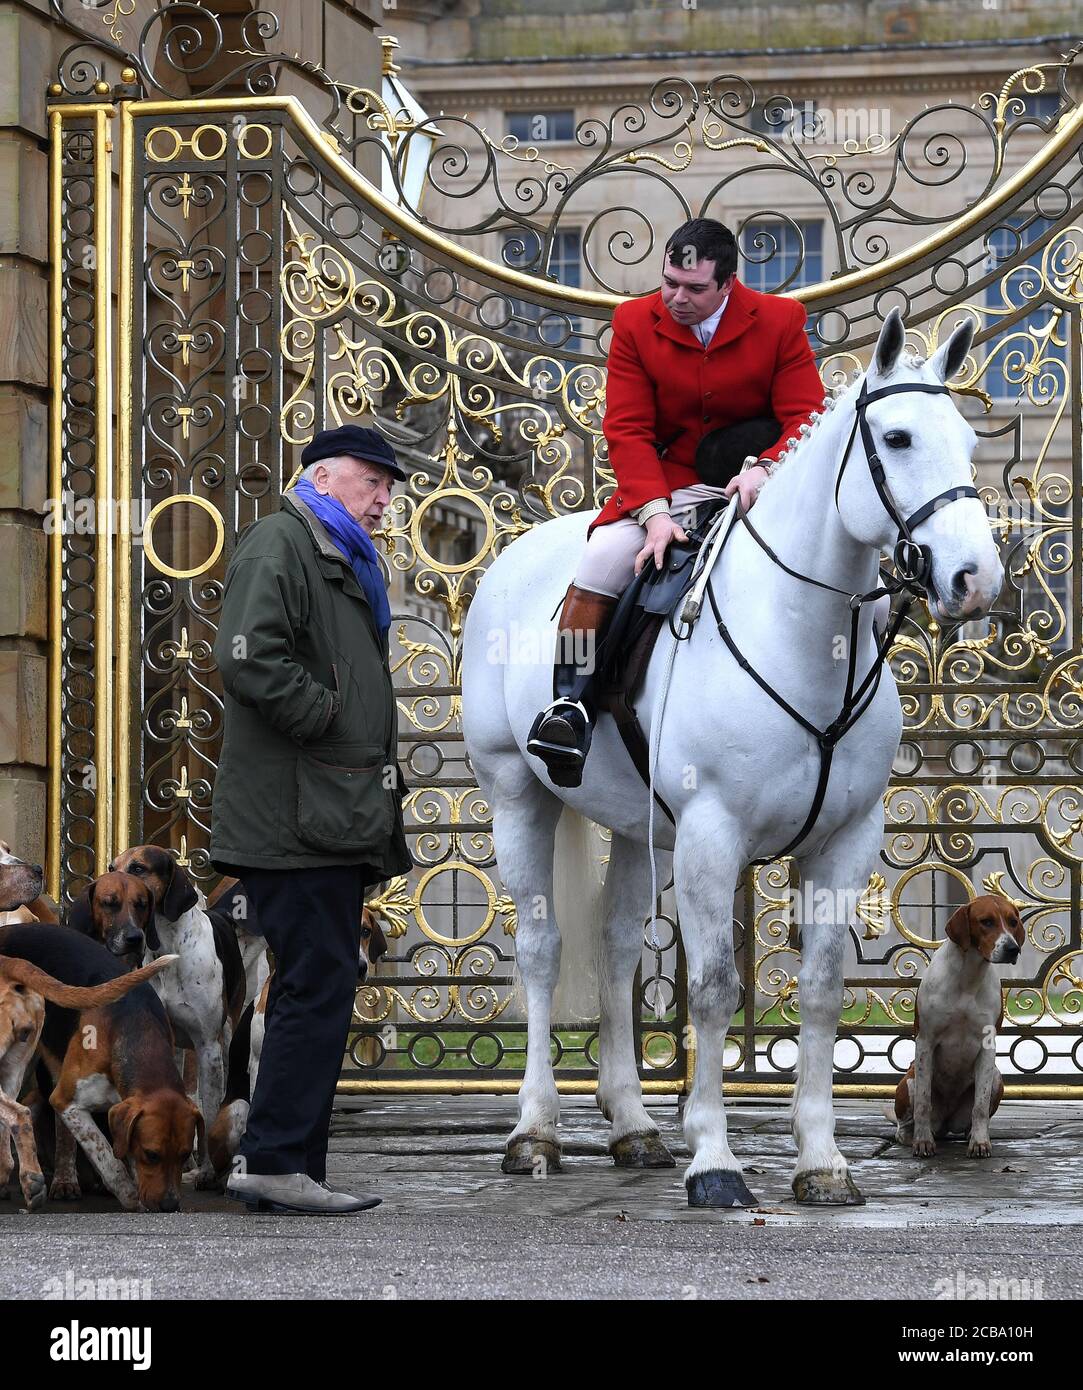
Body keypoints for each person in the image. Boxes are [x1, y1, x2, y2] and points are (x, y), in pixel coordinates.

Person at [527, 217, 826, 785]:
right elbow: (628, 428)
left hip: (764, 483)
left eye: (693, 289)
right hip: (668, 486)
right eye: (668, 283)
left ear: (728, 284)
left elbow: (806, 414)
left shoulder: (782, 319)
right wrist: (656, 515)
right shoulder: (634, 321)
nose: (675, 299)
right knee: (600, 559)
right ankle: (569, 707)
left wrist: (766, 467)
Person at [210, 424, 412, 1215]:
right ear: (324, 478)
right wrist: (325, 715)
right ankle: (275, 1161)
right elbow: (246, 653)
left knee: (319, 981)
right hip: (295, 812)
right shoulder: (280, 543)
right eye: (374, 481)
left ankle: (294, 1169)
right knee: (313, 983)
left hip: (326, 809)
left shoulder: (335, 553)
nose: (385, 499)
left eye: (390, 486)